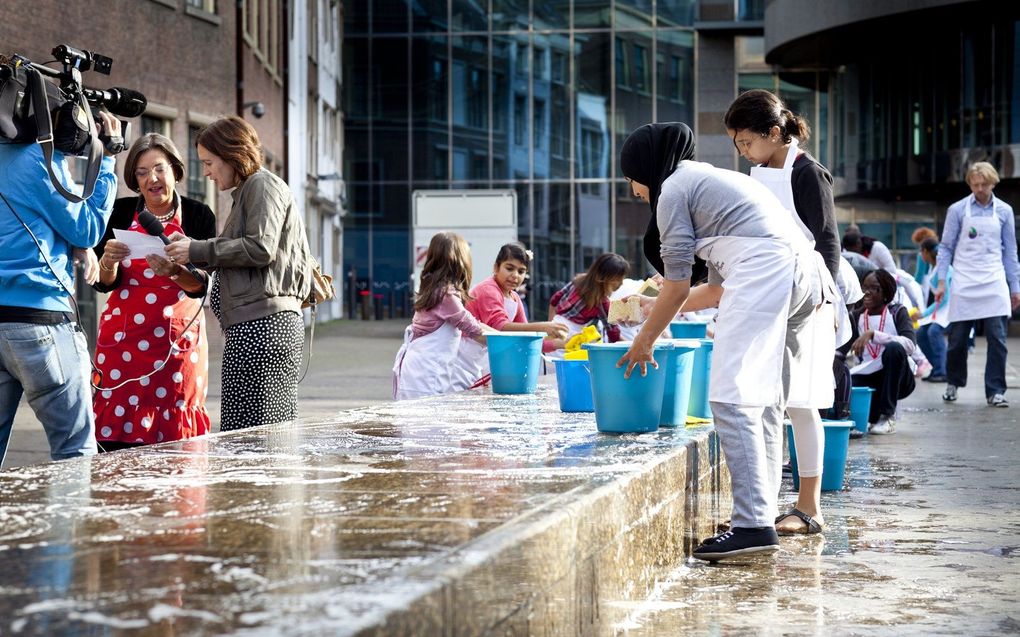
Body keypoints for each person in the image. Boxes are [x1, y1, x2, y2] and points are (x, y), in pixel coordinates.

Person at [618, 122, 819, 561]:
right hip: (797, 271)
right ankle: (758, 515)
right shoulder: (706, 180)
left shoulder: (672, 189)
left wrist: (643, 341)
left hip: (767, 269)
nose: (633, 190)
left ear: (643, 167)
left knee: (730, 395)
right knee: (762, 399)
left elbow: (674, 287)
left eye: (630, 178)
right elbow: (712, 290)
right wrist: (644, 307)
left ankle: (751, 526)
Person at [725, 89, 842, 536]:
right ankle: (772, 503)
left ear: (774, 133)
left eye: (747, 143)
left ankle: (810, 508)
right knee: (769, 400)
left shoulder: (809, 173)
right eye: (738, 146)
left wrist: (823, 298)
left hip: (809, 294)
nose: (743, 152)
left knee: (801, 402)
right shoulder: (757, 174)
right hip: (770, 293)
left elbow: (827, 240)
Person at [164, 116, 313, 430]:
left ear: (232, 154)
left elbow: (261, 248)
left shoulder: (262, 184)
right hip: (255, 326)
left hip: (262, 327)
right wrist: (194, 248)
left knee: (255, 436)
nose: (206, 172)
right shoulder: (250, 190)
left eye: (209, 162)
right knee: (252, 434)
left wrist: (196, 250)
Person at [0, 111, 121, 465]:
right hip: (41, 320)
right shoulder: (37, 160)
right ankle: (67, 522)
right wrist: (108, 159)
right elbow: (85, 229)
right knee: (75, 451)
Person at [91, 134, 216, 450]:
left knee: (176, 448)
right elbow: (104, 283)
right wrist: (107, 261)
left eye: (159, 169)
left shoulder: (199, 215)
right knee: (116, 445)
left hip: (177, 346)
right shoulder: (118, 213)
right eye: (142, 172)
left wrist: (174, 271)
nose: (152, 179)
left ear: (175, 170)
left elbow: (201, 285)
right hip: (123, 343)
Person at [935, 161, 1020, 406]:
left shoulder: (1004, 211)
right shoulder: (957, 210)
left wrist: (1015, 287)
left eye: (984, 184)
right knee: (958, 339)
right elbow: (946, 247)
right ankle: (953, 382)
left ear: (993, 183)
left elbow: (1010, 252)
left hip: (994, 279)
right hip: (964, 280)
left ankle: (995, 391)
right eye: (975, 184)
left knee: (998, 339)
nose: (979, 189)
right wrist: (942, 281)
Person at [450, 242, 567, 390]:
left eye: (521, 271)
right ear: (496, 267)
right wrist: (544, 326)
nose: (515, 275)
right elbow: (502, 328)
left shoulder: (515, 298)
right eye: (509, 268)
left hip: (487, 355)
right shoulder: (488, 289)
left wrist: (565, 344)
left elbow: (527, 338)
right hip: (464, 358)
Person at [393, 232, 494, 400]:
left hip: (419, 372)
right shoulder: (445, 295)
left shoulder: (436, 290)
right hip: (424, 376)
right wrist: (511, 342)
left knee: (415, 424)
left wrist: (505, 336)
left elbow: (472, 322)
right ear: (460, 262)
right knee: (425, 425)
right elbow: (475, 330)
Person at [842, 270, 917, 434]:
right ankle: (852, 420)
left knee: (894, 349)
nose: (867, 292)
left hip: (898, 378)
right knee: (843, 373)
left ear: (886, 293)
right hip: (871, 377)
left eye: (874, 288)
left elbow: (910, 345)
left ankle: (887, 417)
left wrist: (874, 335)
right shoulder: (857, 316)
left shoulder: (897, 312)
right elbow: (842, 350)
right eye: (864, 288)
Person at [548, 253, 629, 343]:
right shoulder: (602, 302)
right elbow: (614, 334)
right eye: (618, 279)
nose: (621, 283)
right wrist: (631, 344)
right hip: (572, 338)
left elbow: (554, 300)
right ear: (605, 278)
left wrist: (550, 324)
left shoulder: (579, 280)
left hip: (554, 329)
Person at [916, 237, 950, 382]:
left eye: (921, 252)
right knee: (921, 334)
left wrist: (923, 314)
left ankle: (942, 372)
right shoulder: (933, 267)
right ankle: (936, 368)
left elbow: (944, 298)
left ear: (925, 251)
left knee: (934, 331)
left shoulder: (944, 268)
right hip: (939, 310)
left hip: (950, 309)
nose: (920, 255)